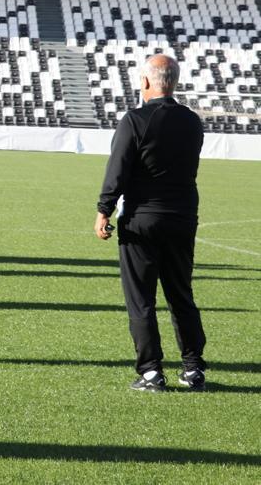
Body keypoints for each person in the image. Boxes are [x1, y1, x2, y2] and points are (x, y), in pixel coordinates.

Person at [95, 54, 207, 393]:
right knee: (181, 294)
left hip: (142, 218)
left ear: (145, 81)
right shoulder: (192, 121)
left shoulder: (135, 120)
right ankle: (193, 369)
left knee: (141, 299)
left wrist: (104, 209)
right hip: (182, 216)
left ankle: (151, 372)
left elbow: (118, 169)